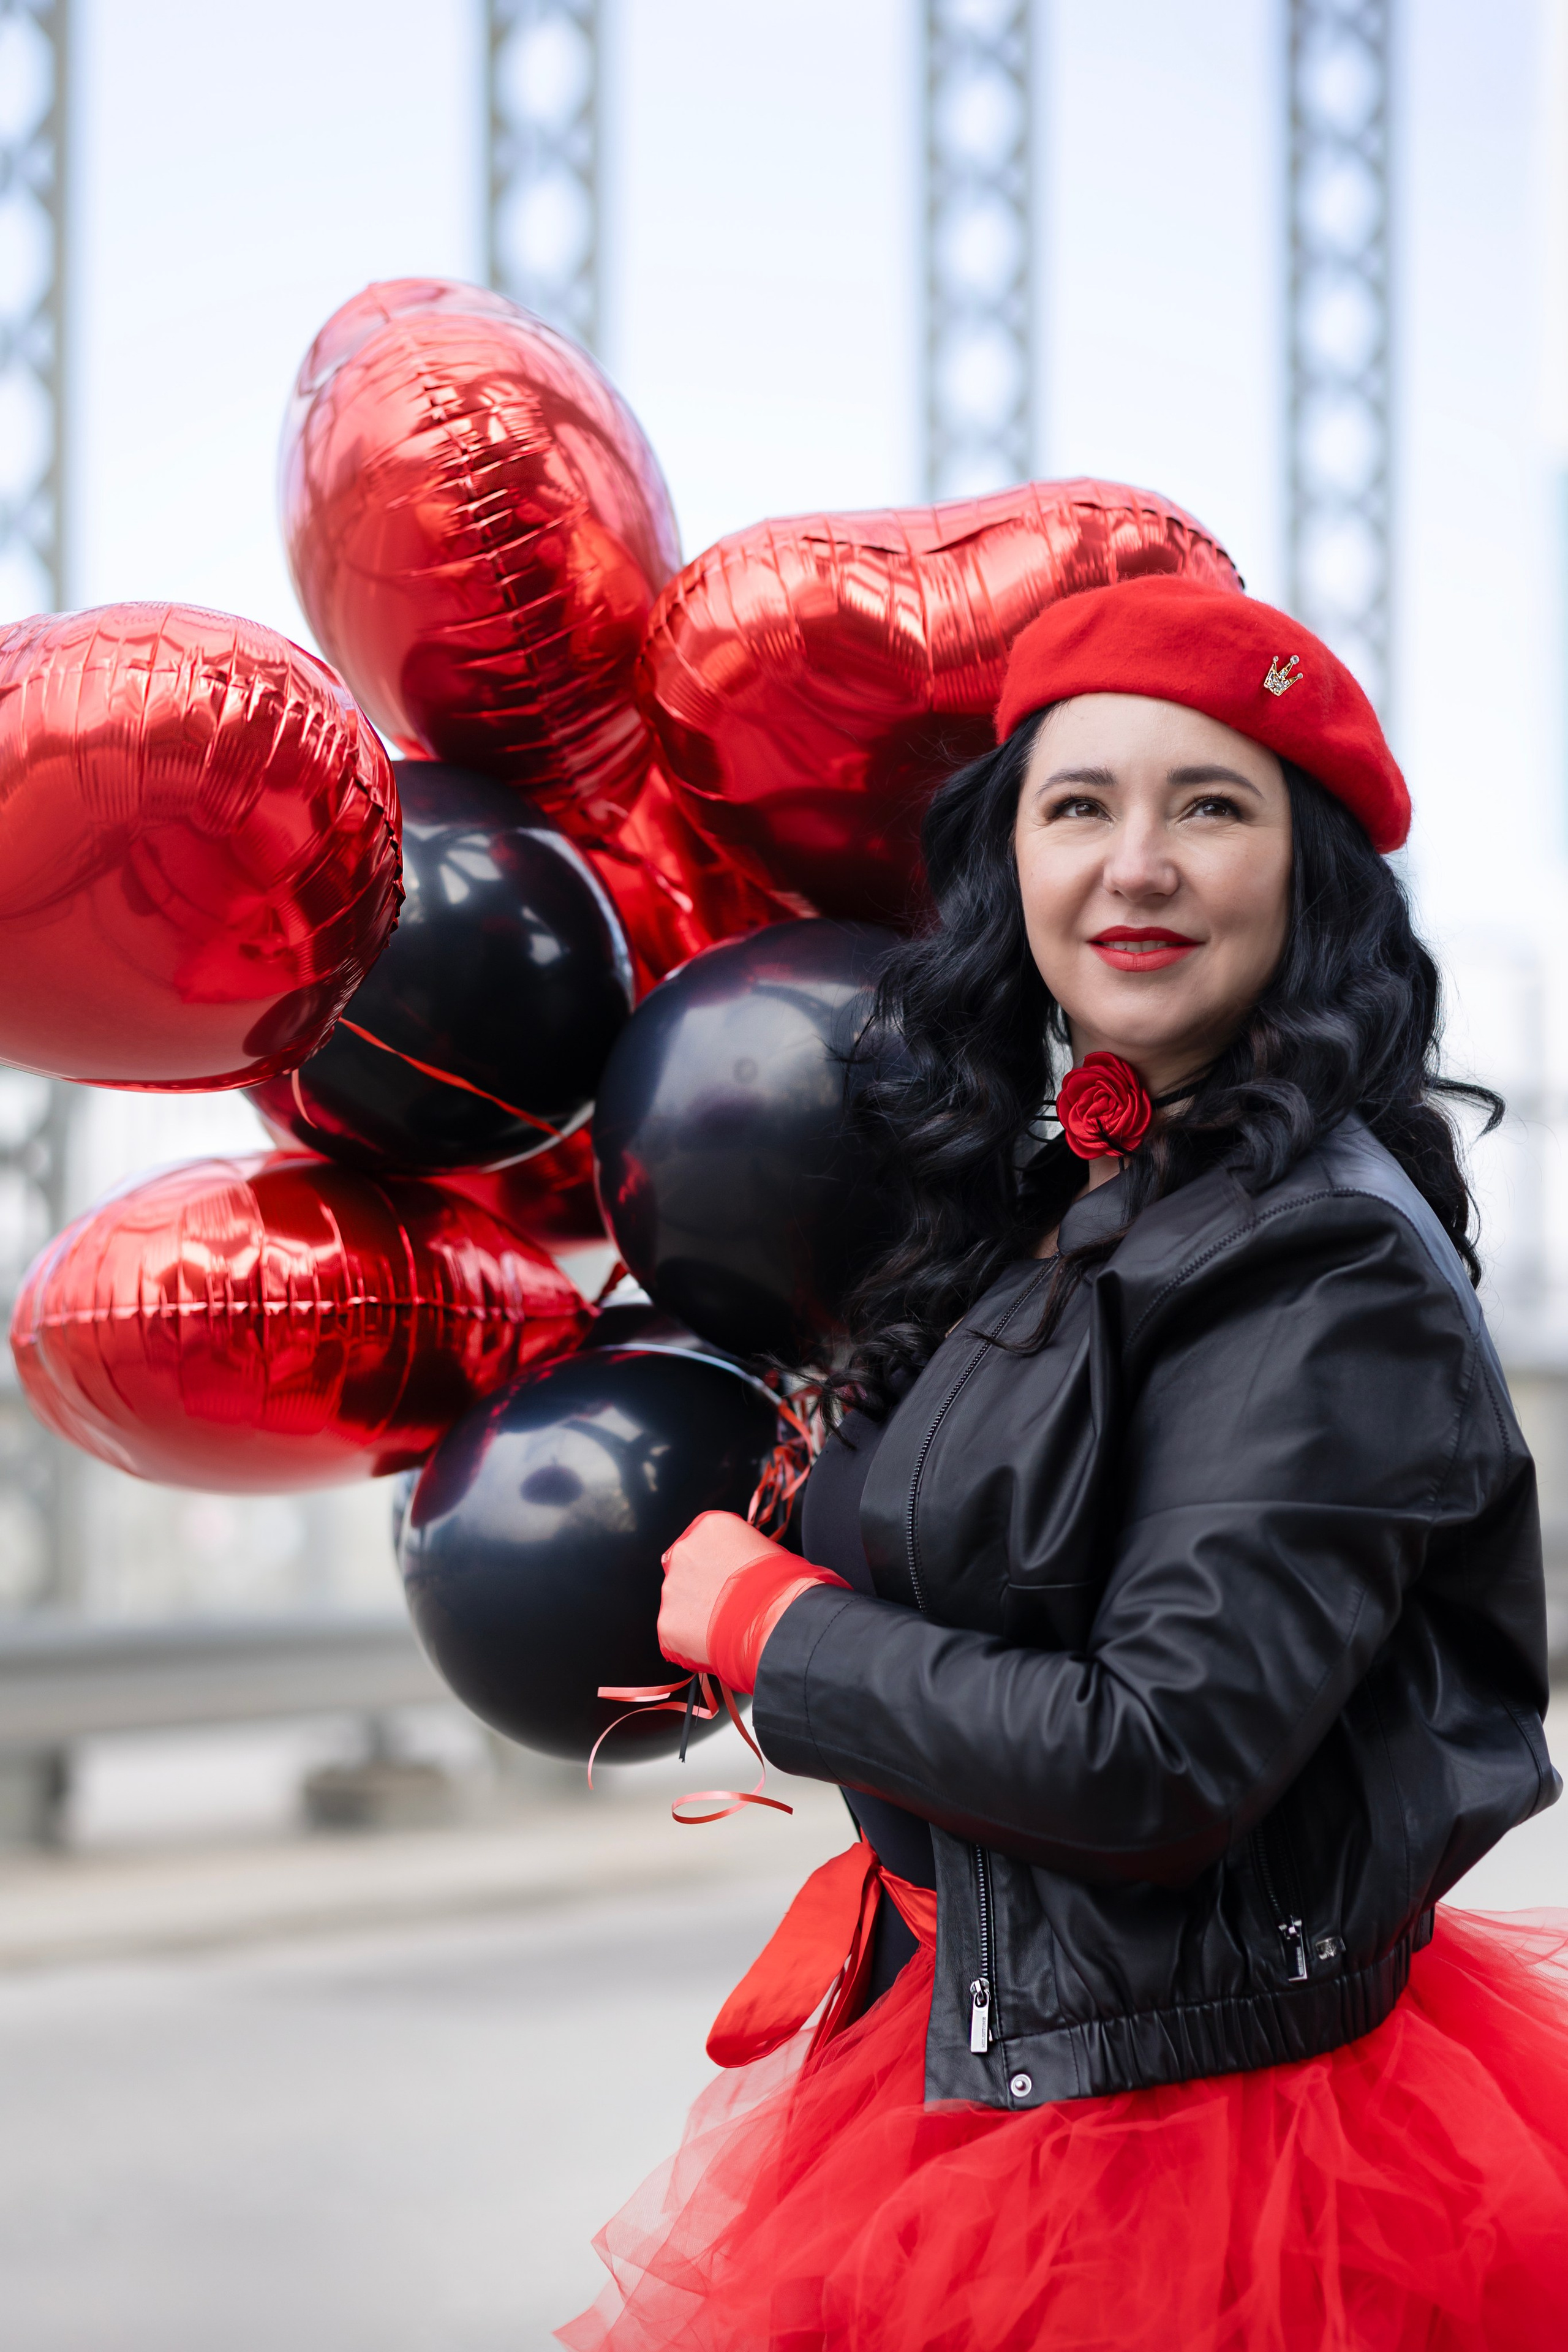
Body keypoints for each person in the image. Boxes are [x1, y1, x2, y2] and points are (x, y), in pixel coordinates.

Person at [559, 572, 1568, 2352]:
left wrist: (775, 1627)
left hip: (1193, 2150)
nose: (1137, 867)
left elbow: (1156, 1758)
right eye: (1079, 806)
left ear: (1312, 880)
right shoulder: (1064, 1202)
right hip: (983, 2045)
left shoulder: (1320, 1256)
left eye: (1213, 809)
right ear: (1009, 861)